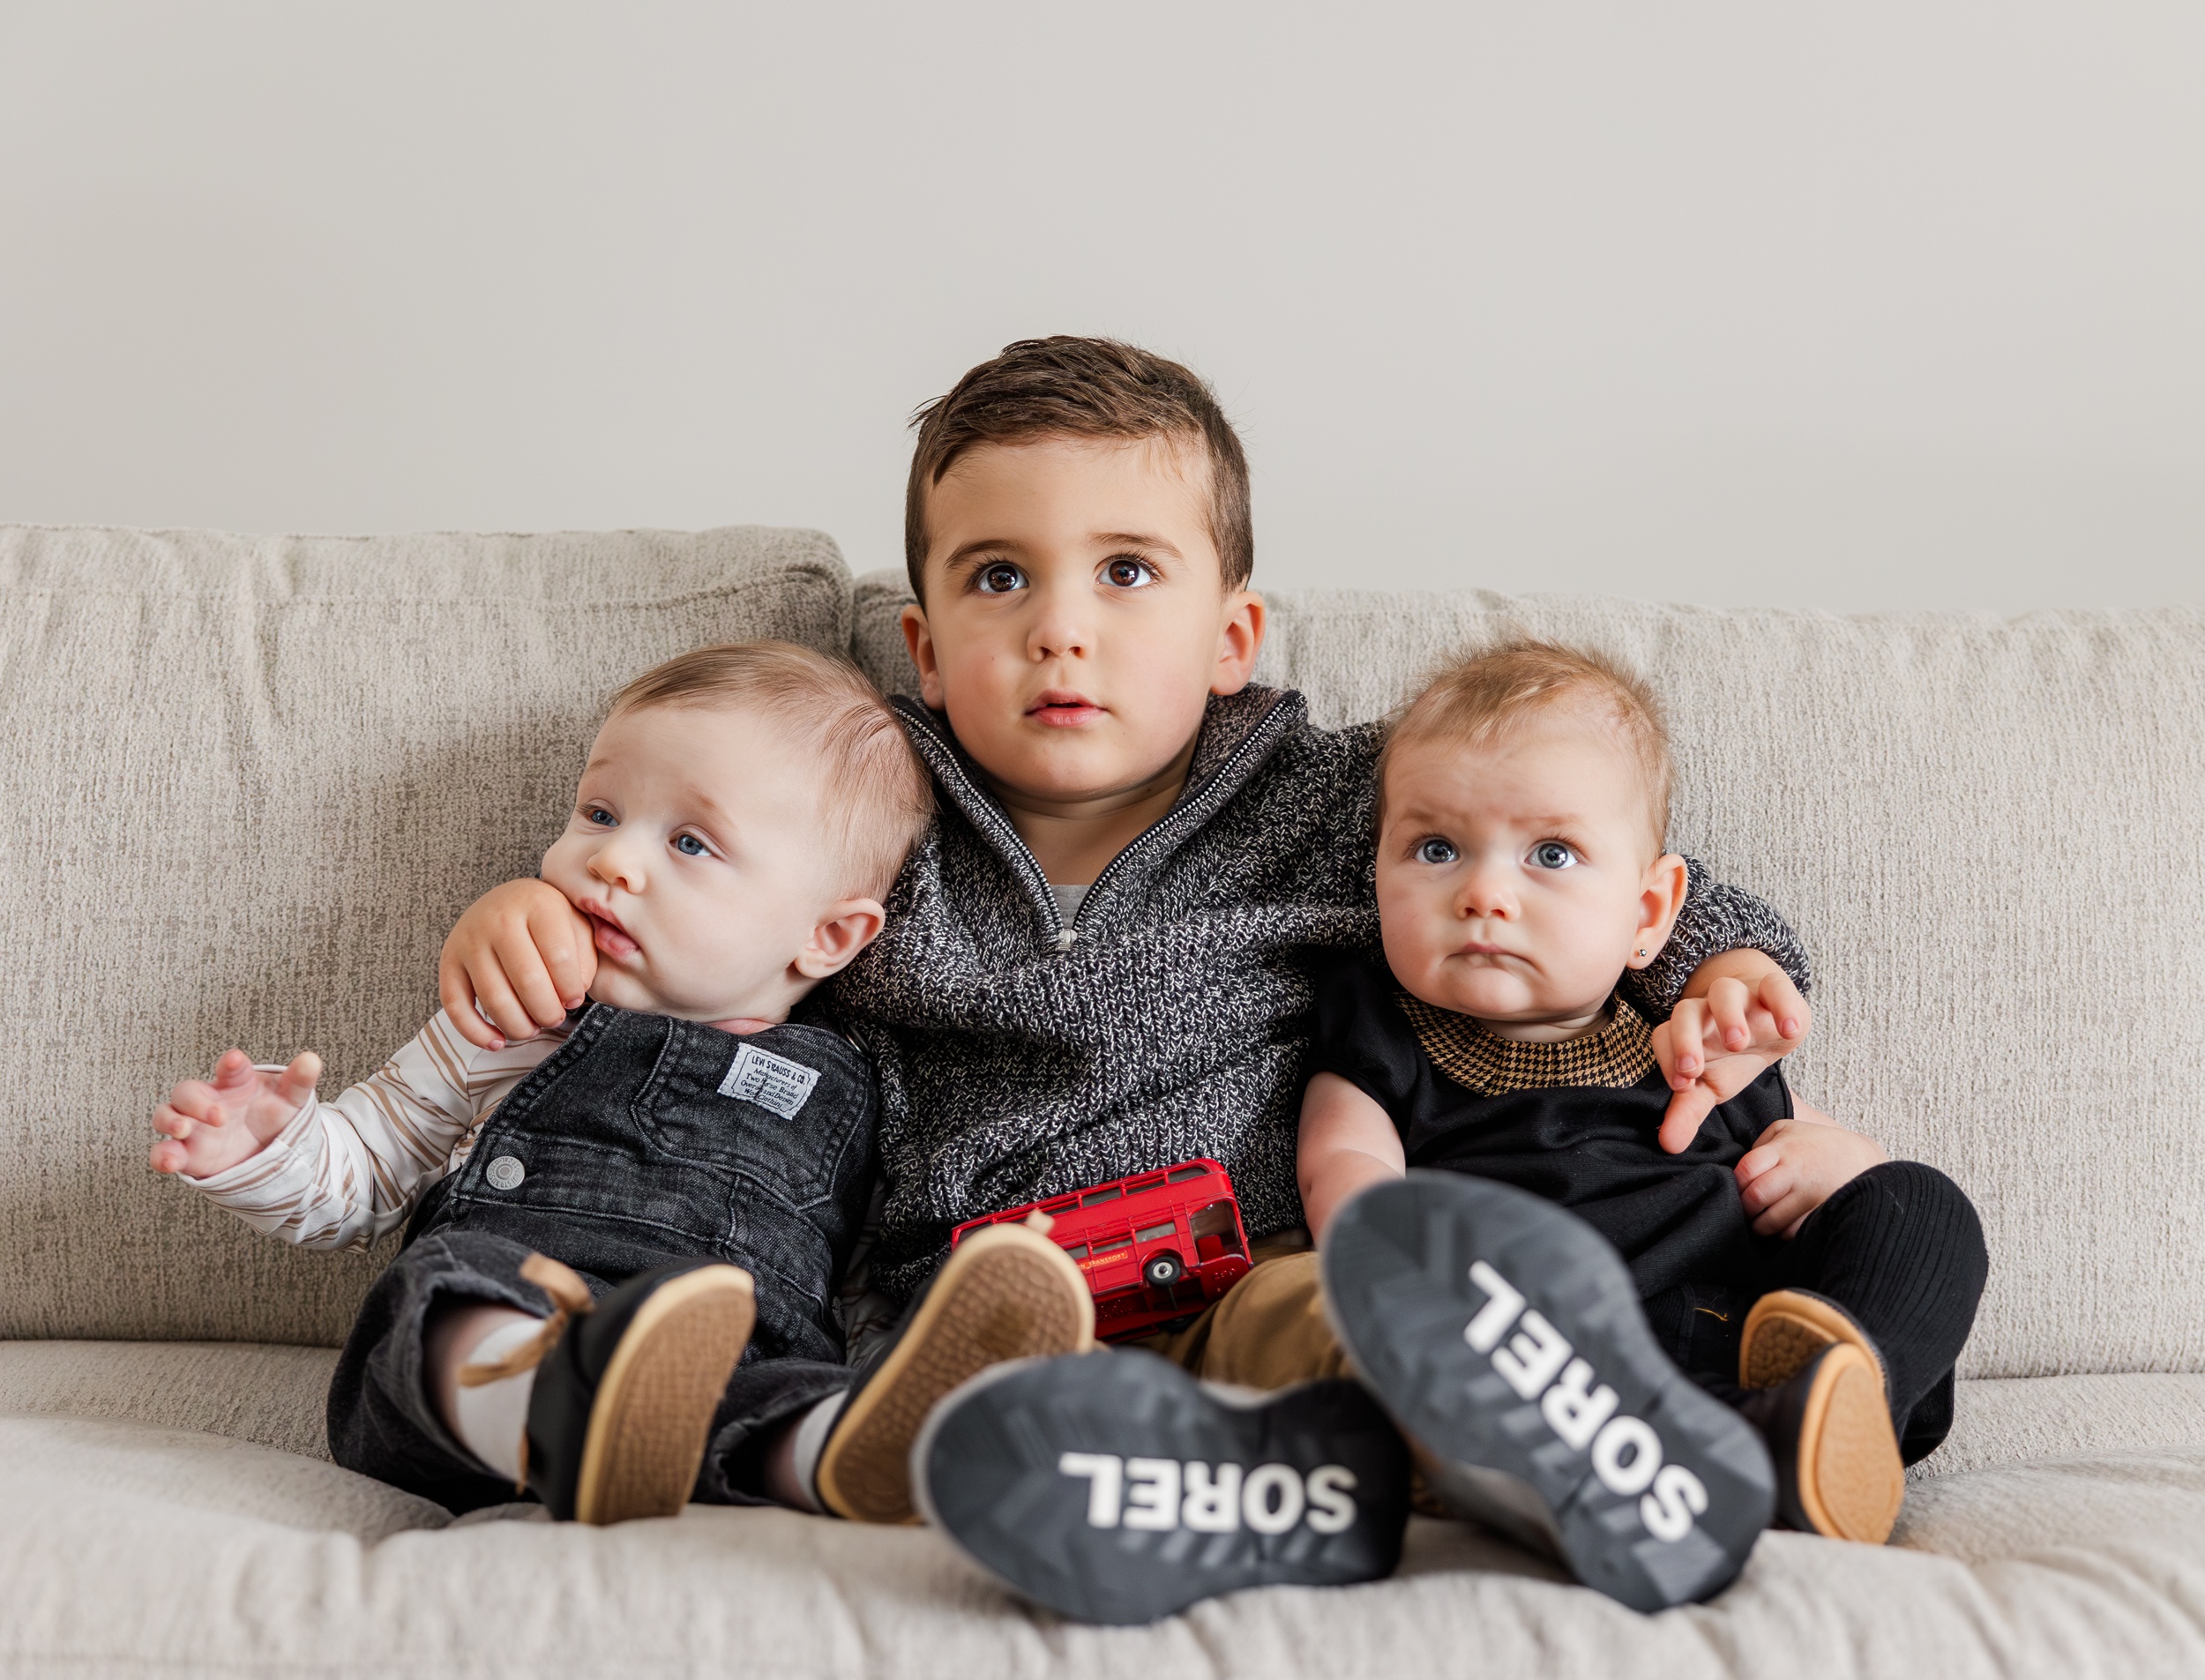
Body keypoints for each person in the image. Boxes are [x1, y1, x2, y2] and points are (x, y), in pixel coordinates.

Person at [431, 340, 1823, 1608]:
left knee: (1332, 1323)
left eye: (1128, 571)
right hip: (974, 1306)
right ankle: (1196, 1484)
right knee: (987, 1404)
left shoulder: (1344, 800)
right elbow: (684, 889)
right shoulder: (867, 819)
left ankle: (1473, 1458)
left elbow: (1581, 840)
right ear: (923, 650)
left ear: (1234, 638)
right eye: (998, 577)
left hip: (1240, 1276)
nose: (1060, 628)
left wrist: (1731, 962)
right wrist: (535, 913)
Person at [1113, 638, 1985, 1612]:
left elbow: (1822, 1150)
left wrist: (1834, 1159)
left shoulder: (1689, 1041)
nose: (1485, 893)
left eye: (1552, 855)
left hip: (1742, 1339)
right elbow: (1344, 1165)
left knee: (1919, 1203)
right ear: (1376, 874)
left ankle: (1841, 1404)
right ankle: (1739, 1467)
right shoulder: (1385, 1032)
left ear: (1649, 912)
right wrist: (1401, 1271)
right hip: (1551, 1362)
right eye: (1434, 850)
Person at [150, 641, 1094, 1525]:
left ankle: (845, 1451)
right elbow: (362, 1173)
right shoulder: (516, 1018)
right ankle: (559, 1407)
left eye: (691, 844)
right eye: (599, 814)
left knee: (792, 1395)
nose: (611, 859)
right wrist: (265, 1146)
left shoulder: (853, 1090)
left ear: (828, 937)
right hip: (493, 1360)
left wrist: (917, 1365)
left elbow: (859, 1292)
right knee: (434, 1296)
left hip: (721, 1374)